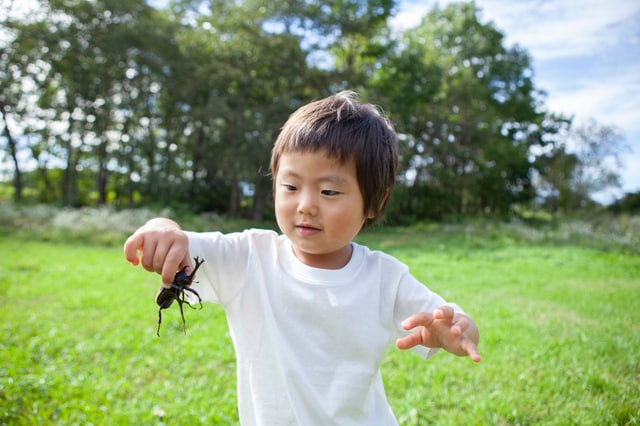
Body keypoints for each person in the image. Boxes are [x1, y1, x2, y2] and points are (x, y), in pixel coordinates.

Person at [124, 91, 480, 425]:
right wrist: (163, 227)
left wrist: (457, 329)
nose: (306, 205)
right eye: (290, 187)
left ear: (374, 201)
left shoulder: (385, 277)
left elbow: (448, 320)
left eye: (328, 191)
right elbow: (183, 244)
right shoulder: (250, 258)